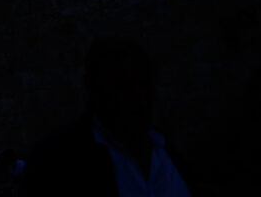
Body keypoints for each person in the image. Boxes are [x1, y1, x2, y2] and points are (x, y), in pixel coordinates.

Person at [22, 37, 194, 197]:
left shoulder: (168, 152)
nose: (138, 96)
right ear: (94, 89)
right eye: (123, 85)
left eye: (144, 83)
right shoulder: (57, 164)